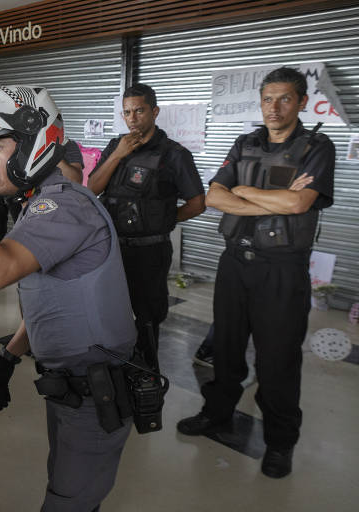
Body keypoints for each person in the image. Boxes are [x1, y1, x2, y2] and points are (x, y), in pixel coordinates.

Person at [0, 84, 137, 511]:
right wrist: (9, 357)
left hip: (94, 391)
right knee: (68, 486)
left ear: (33, 143)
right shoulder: (39, 203)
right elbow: (49, 302)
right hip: (72, 387)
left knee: (67, 501)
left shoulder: (62, 205)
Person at [177, 67, 335, 479]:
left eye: (284, 99)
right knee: (226, 350)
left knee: (277, 360)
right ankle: (217, 414)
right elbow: (214, 195)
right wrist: (270, 198)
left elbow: (300, 206)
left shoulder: (317, 147)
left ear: (301, 102)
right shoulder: (245, 143)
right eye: (268, 99)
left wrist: (244, 192)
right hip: (234, 262)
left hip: (282, 268)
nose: (274, 107)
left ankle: (281, 442)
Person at [87, 83, 205, 369]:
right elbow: (92, 187)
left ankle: (147, 376)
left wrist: (163, 219)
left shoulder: (174, 154)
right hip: (112, 249)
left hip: (150, 252)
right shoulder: (116, 146)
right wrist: (118, 155)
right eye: (127, 112)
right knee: (110, 312)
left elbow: (197, 203)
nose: (133, 118)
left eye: (139, 111)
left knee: (147, 318)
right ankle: (116, 369)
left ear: (154, 111)